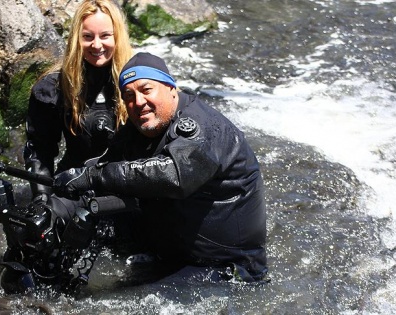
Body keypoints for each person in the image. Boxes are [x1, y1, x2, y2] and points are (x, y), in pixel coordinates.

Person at [53, 52, 268, 282]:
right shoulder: (140, 127)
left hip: (226, 268)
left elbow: (175, 176)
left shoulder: (204, 127)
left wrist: (94, 176)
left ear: (171, 88)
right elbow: (104, 166)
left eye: (146, 90)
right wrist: (61, 194)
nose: (139, 102)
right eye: (129, 95)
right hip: (166, 252)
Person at [23, 0, 133, 205]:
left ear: (117, 36)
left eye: (105, 36)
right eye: (88, 37)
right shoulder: (53, 87)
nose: (97, 45)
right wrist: (42, 199)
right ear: (76, 39)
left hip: (127, 185)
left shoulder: (138, 79)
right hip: (74, 184)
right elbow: (39, 149)